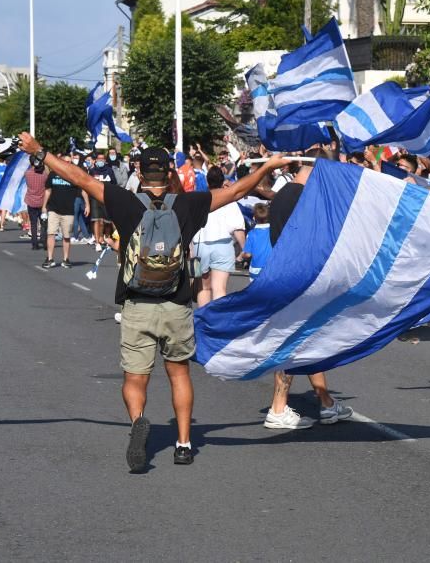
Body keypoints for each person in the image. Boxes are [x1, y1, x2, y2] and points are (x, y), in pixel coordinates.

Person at [18, 131, 292, 470]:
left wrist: (40, 151)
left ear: (140, 172)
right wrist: (270, 165)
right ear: (170, 172)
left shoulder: (124, 201)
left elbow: (80, 177)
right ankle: (183, 443)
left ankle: (137, 423)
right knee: (178, 374)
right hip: (176, 304)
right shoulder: (190, 205)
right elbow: (237, 189)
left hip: (137, 304)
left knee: (135, 378)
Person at [264, 149, 354, 429]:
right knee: (291, 342)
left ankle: (325, 402)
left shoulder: (285, 194)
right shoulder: (301, 198)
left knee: (309, 340)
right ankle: (278, 409)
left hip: (291, 274)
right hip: (298, 277)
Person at [195, 167, 245, 307]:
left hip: (202, 244)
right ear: (223, 181)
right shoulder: (229, 201)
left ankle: (203, 321)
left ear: (207, 181)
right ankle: (217, 321)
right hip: (223, 245)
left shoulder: (199, 200)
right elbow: (237, 227)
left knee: (204, 288)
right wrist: (244, 248)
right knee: (220, 288)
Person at [43, 163, 87, 269]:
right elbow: (48, 190)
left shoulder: (73, 176)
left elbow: (83, 190)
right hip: (53, 209)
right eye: (64, 161)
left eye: (69, 162)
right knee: (51, 233)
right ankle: (49, 258)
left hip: (68, 211)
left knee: (66, 236)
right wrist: (44, 205)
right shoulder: (53, 174)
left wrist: (87, 205)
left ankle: (66, 259)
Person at [90, 152, 117, 251]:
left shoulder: (109, 171)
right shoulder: (92, 171)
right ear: (96, 160)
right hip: (95, 199)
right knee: (97, 220)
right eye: (99, 159)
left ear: (105, 161)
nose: (100, 161)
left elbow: (114, 183)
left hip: (107, 198)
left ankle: (106, 238)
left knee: (107, 222)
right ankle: (97, 242)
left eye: (102, 159)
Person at [24, 158, 49, 252]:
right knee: (44, 223)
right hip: (42, 202)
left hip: (31, 200)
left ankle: (34, 243)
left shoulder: (27, 173)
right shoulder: (44, 175)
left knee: (33, 224)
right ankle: (44, 240)